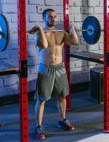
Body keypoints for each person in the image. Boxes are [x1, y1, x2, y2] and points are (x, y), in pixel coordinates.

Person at [28, 9, 79, 140]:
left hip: (60, 68)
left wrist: (72, 28)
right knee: (42, 99)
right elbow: (44, 45)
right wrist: (39, 28)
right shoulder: (39, 34)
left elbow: (75, 42)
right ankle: (38, 126)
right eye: (50, 17)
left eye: (54, 17)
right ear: (44, 18)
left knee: (62, 96)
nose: (53, 19)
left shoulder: (60, 33)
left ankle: (63, 120)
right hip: (45, 68)